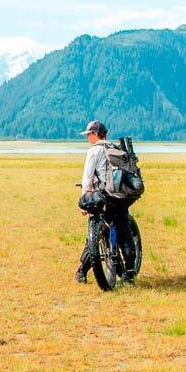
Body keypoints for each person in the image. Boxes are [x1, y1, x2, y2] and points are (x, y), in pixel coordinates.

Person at [75, 118, 119, 283]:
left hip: (100, 197)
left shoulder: (94, 151)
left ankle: (81, 272)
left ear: (95, 134)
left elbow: (87, 179)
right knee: (117, 226)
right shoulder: (113, 148)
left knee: (93, 237)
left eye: (88, 134)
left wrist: (85, 199)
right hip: (117, 196)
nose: (87, 138)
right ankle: (125, 267)